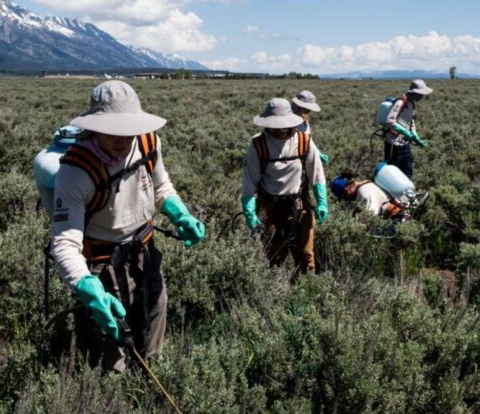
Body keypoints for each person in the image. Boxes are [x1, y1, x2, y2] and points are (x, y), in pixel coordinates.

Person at [50, 80, 206, 373]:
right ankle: (111, 406)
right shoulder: (75, 170)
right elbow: (64, 242)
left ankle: (148, 387)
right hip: (99, 265)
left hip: (146, 255)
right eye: (113, 132)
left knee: (153, 329)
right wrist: (87, 287)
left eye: (129, 130)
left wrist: (180, 214)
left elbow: (161, 187)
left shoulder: (148, 142)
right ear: (95, 127)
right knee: (107, 356)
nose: (123, 140)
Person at [241, 98, 328, 274]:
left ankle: (308, 290)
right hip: (269, 206)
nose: (279, 130)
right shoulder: (258, 145)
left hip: (299, 203)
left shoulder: (304, 141)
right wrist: (249, 211)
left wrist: (321, 201)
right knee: (274, 255)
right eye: (274, 126)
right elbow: (249, 180)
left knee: (305, 255)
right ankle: (276, 291)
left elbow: (316, 174)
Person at [381, 79, 432, 178]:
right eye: (421, 95)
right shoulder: (400, 102)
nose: (422, 97)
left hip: (404, 143)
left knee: (408, 170)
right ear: (416, 93)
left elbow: (411, 121)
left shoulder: (412, 104)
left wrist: (415, 136)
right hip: (393, 143)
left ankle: (407, 192)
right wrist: (405, 132)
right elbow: (390, 120)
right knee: (392, 173)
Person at [291, 89, 329, 164]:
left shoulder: (304, 117)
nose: (309, 110)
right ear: (299, 105)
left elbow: (308, 139)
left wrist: (317, 152)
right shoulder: (286, 118)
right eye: (307, 108)